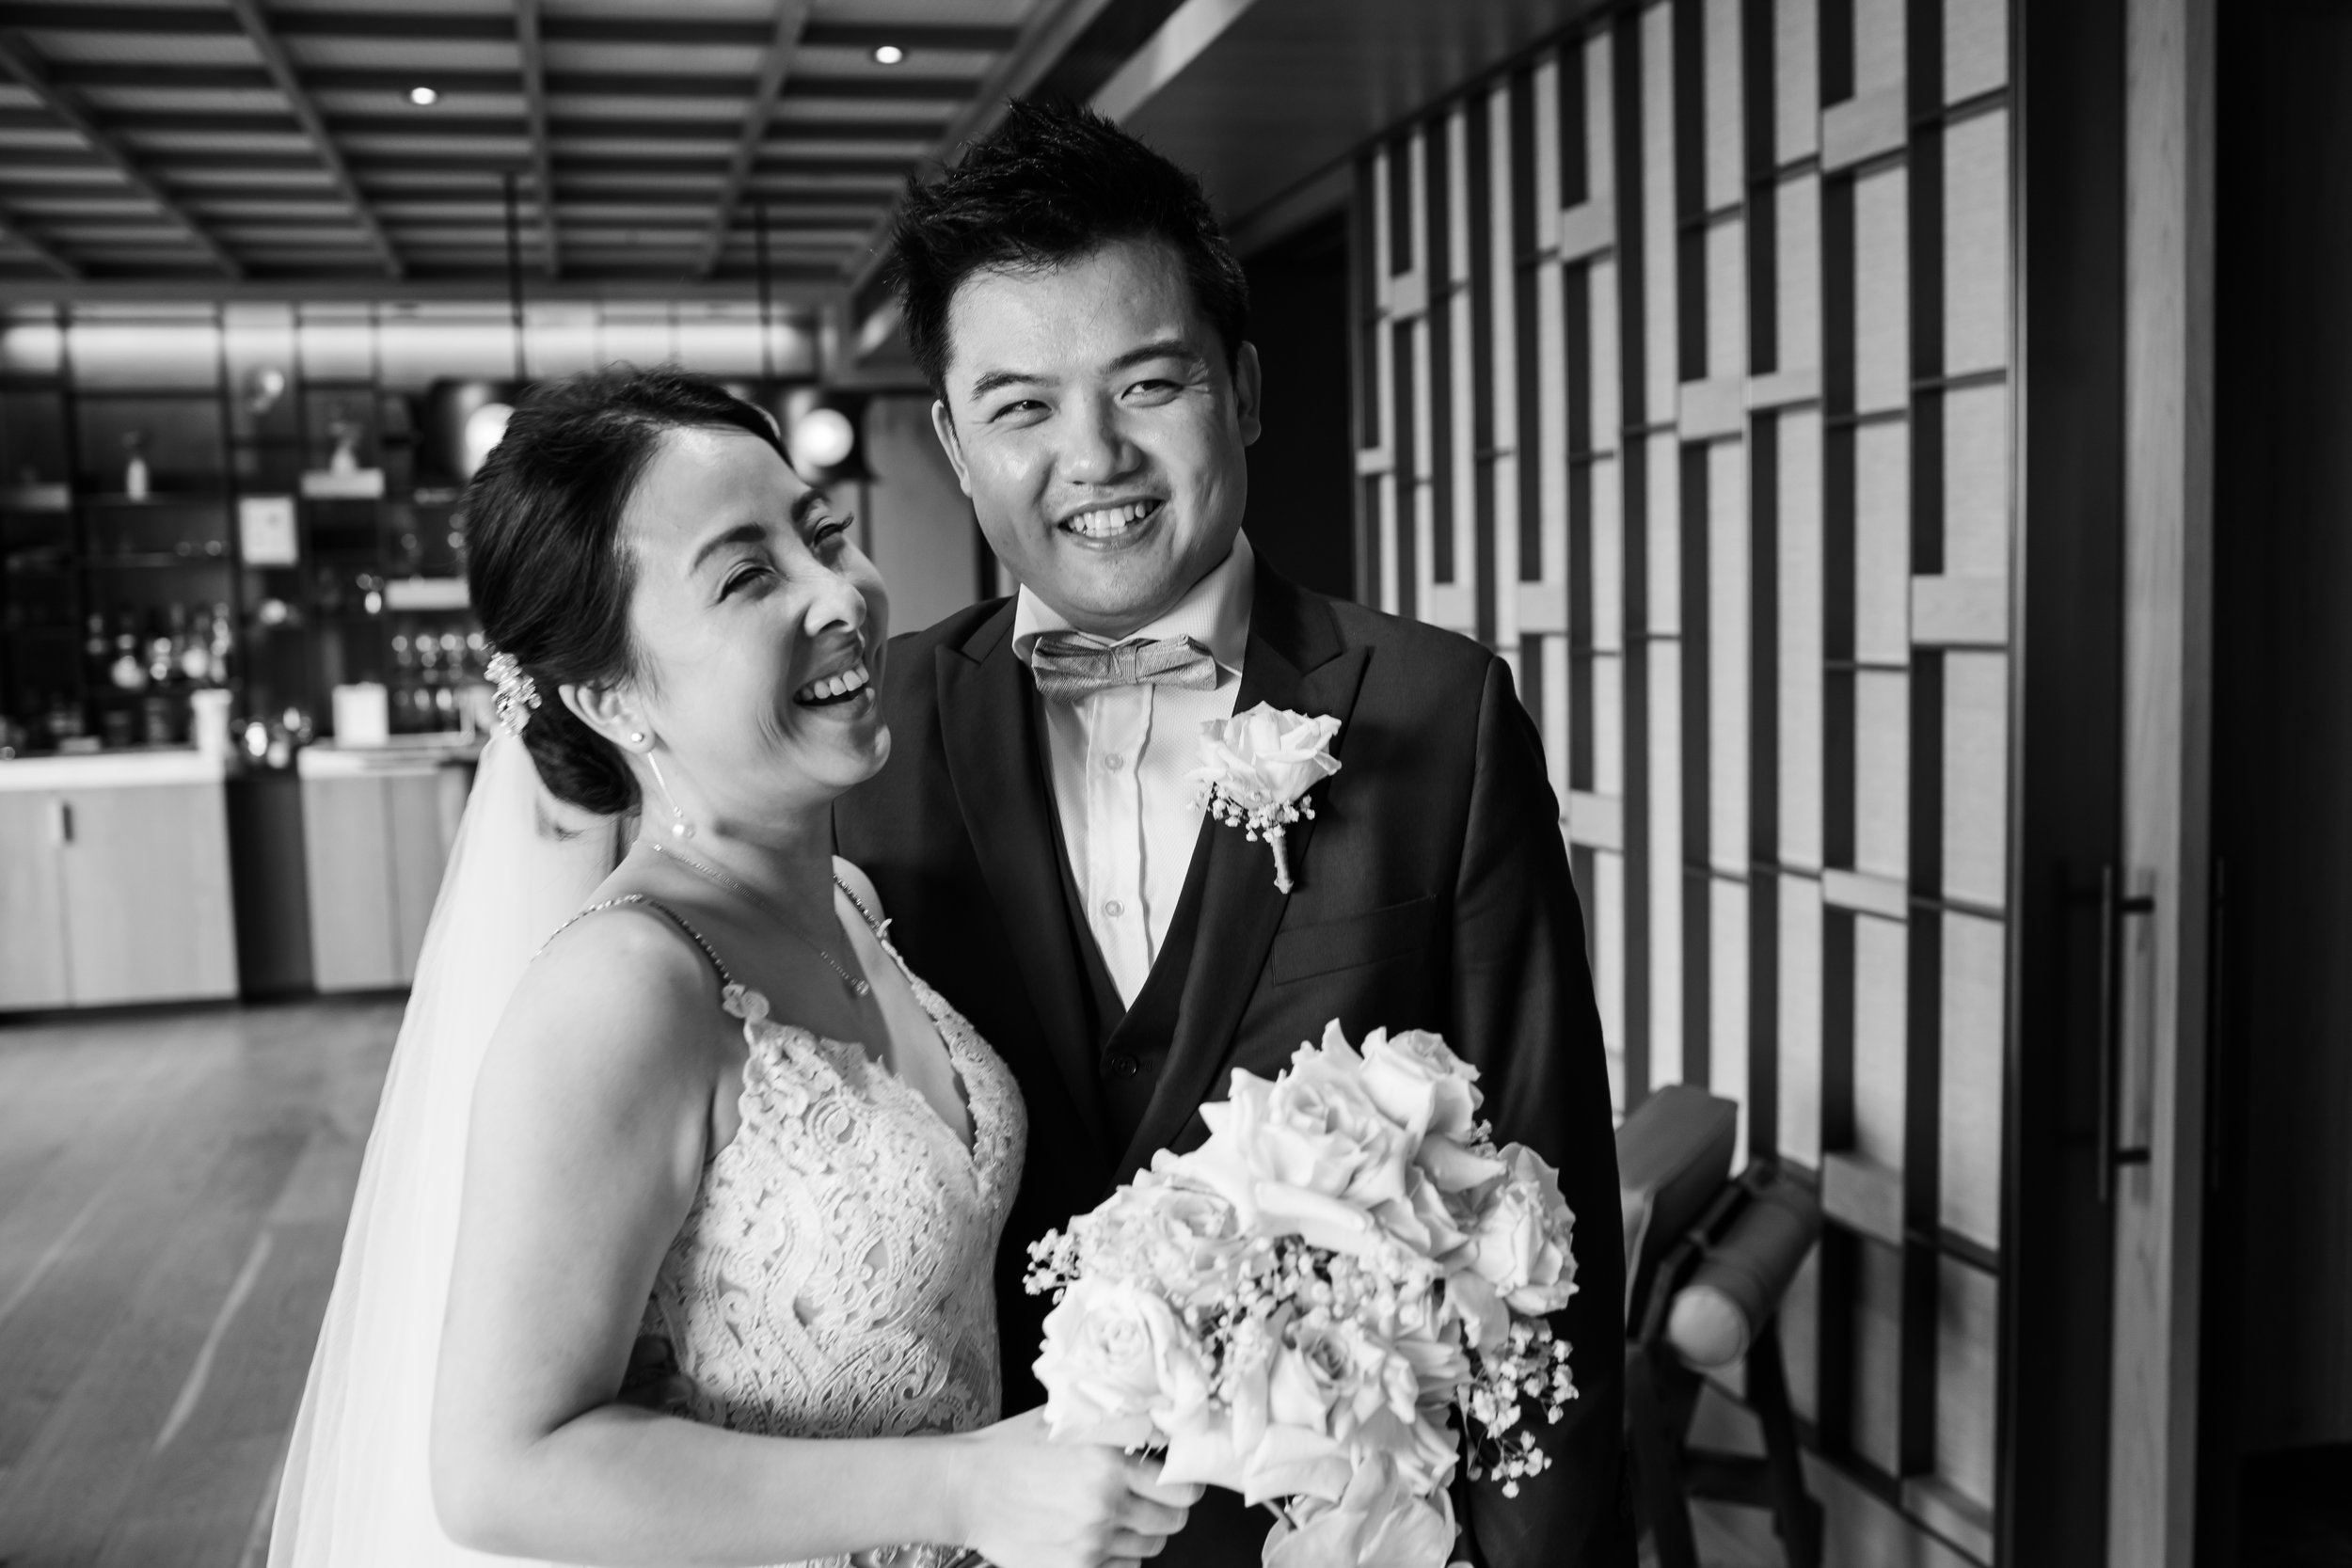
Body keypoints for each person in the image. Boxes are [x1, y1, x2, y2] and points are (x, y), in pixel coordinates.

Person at [835, 102, 1631, 1565]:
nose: (1095, 455)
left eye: (1149, 382)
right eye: (1021, 406)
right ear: (953, 442)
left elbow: (1552, 1208)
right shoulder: (863, 742)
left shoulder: (1441, 716)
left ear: (1245, 388)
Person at [271, 369, 1197, 1568]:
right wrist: (963, 1490)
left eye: (821, 535)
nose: (840, 595)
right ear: (609, 694)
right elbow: (501, 1469)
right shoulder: (623, 989)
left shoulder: (855, 902)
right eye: (748, 575)